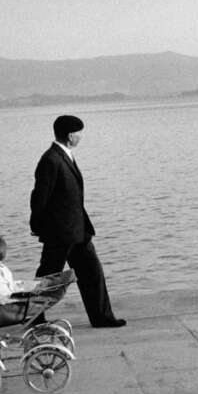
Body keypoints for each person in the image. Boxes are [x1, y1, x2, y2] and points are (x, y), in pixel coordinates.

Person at [29, 115, 125, 328]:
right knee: (48, 276)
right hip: (60, 233)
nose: (81, 136)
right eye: (79, 133)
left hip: (78, 231)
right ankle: (33, 318)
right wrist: (37, 226)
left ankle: (102, 317)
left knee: (92, 273)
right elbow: (39, 197)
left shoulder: (64, 156)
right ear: (71, 135)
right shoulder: (50, 159)